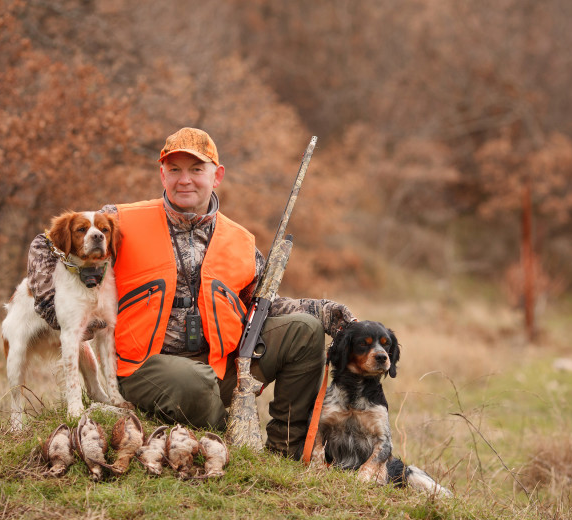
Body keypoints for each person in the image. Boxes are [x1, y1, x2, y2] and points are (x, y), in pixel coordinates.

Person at [26, 127, 357, 457]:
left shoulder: (240, 239)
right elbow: (46, 244)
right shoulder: (121, 219)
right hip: (142, 367)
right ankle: (229, 434)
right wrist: (56, 311)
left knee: (305, 331)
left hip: (220, 365)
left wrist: (324, 312)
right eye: (174, 170)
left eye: (196, 170)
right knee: (195, 383)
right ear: (162, 175)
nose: (185, 179)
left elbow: (261, 303)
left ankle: (283, 451)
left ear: (217, 176)